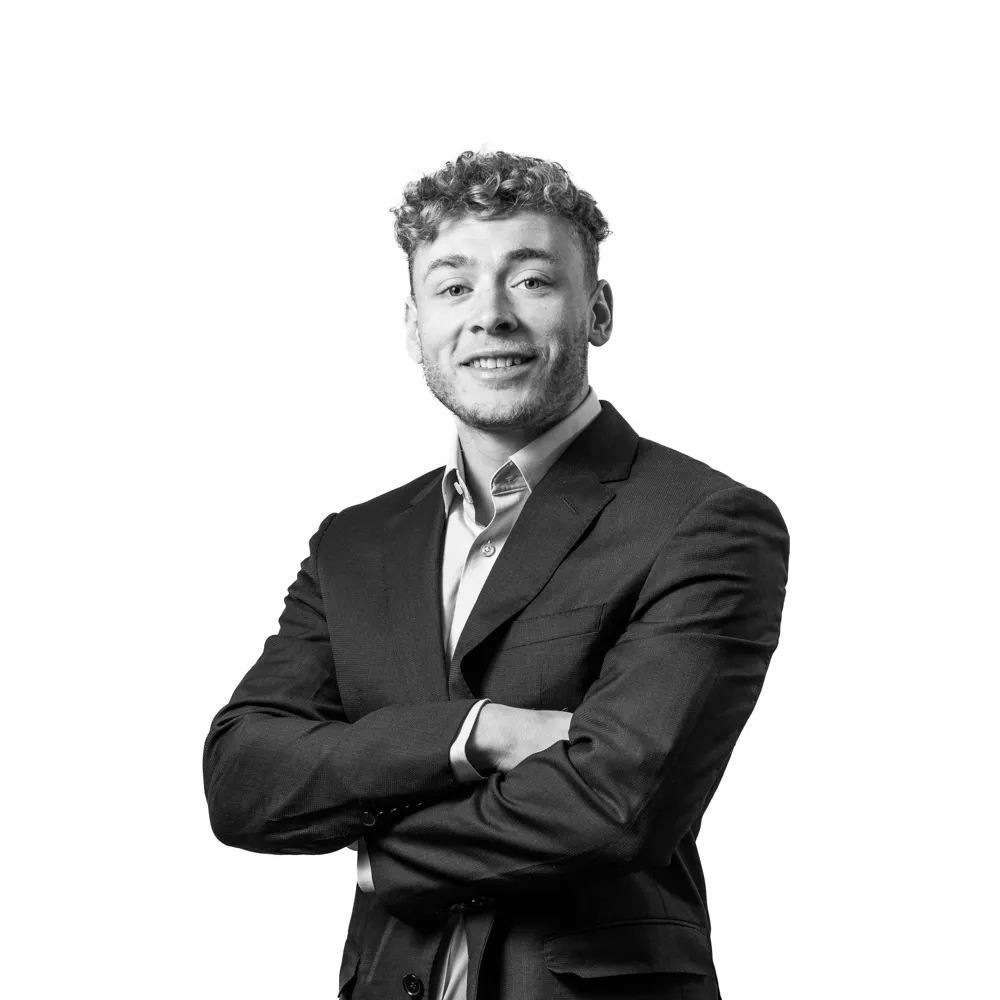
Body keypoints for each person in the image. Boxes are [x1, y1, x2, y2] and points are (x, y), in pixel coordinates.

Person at [202, 150, 789, 1000]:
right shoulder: (354, 544)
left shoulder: (703, 520)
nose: (489, 316)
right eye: (452, 286)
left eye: (531, 282)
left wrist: (383, 858)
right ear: (413, 327)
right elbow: (244, 780)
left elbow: (619, 806)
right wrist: (482, 734)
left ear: (598, 309)